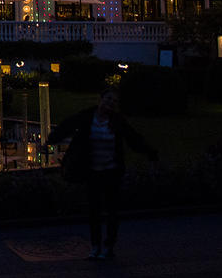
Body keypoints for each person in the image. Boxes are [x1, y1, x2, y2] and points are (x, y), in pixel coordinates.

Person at [46, 87, 157, 260]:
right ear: (101, 99)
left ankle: (108, 245)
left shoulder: (117, 121)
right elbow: (68, 126)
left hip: (111, 172)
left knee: (112, 210)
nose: (110, 103)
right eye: (108, 99)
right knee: (94, 210)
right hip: (93, 171)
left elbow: (133, 138)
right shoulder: (87, 117)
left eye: (114, 101)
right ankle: (95, 245)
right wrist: (52, 140)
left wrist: (149, 152)